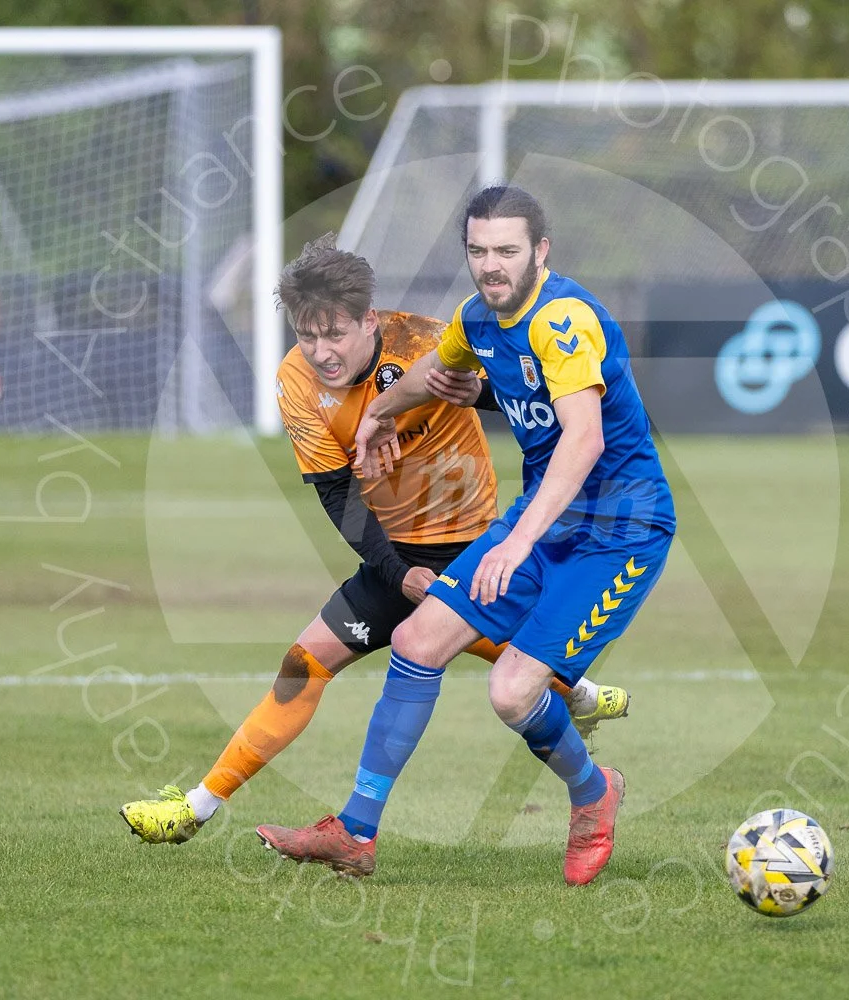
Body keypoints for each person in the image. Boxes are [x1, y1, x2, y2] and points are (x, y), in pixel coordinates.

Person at [119, 235, 630, 845]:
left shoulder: (428, 341)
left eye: (335, 333)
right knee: (302, 666)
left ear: (370, 320)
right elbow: (338, 495)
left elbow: (533, 399)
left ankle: (574, 709)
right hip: (390, 553)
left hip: (471, 544)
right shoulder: (295, 381)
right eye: (308, 336)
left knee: (490, 670)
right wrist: (396, 573)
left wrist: (465, 399)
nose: (321, 351)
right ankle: (195, 809)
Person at [256, 187, 675, 886]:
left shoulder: (562, 321)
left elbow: (584, 440)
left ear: (540, 252)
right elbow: (439, 371)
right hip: (540, 520)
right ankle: (356, 833)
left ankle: (594, 792)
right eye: (478, 250)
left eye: (507, 250)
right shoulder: (477, 318)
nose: (491, 265)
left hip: (619, 532)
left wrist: (515, 543)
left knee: (512, 692)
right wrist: (381, 413)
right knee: (418, 642)